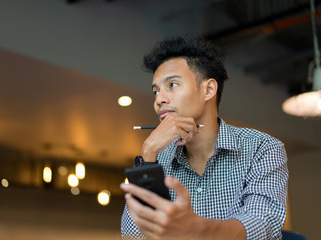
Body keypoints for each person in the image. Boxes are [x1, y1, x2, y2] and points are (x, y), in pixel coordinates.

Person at [120, 35, 288, 240]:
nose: (159, 100)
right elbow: (133, 236)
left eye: (172, 85)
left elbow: (263, 223)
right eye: (156, 92)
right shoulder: (158, 159)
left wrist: (196, 230)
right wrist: (148, 155)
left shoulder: (262, 147)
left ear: (208, 89)